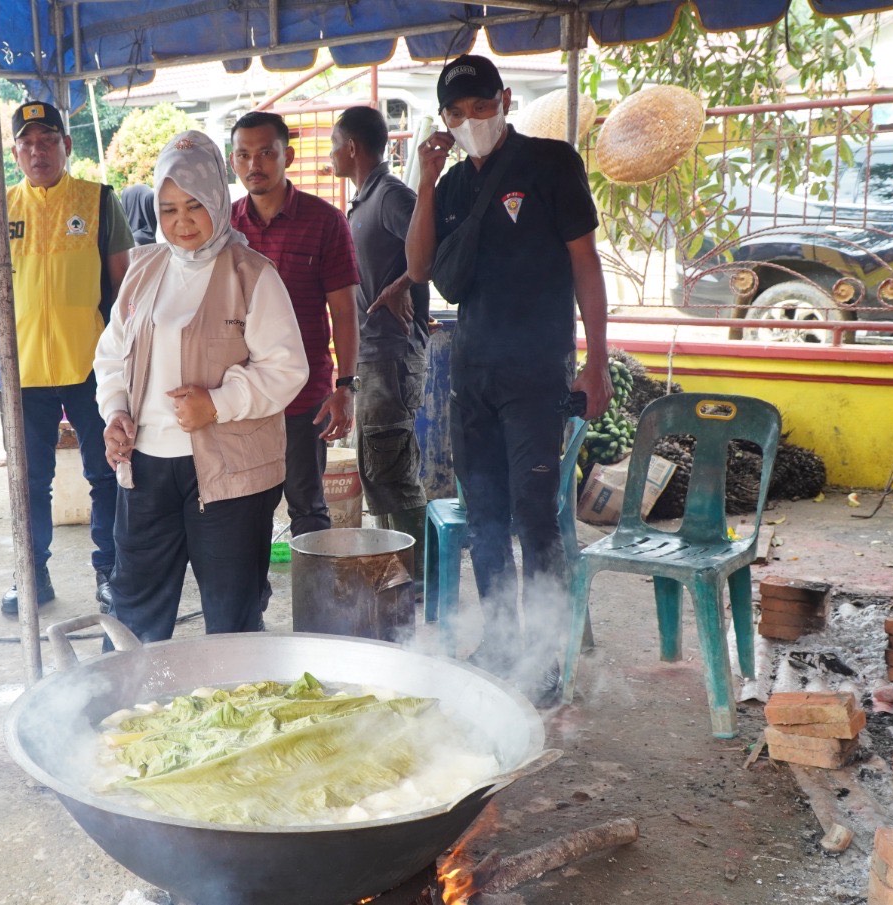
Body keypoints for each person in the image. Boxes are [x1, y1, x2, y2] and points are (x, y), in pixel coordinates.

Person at [404, 54, 612, 693]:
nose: (472, 121)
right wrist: (427, 179)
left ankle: (546, 659)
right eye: (458, 113)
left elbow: (586, 265)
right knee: (486, 515)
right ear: (444, 120)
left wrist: (596, 362)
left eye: (482, 107)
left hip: (537, 371)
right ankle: (499, 647)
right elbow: (418, 269)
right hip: (475, 372)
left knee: (534, 513)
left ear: (506, 99)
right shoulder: (454, 183)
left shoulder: (551, 164)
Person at [95, 131, 308, 641]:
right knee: (135, 604)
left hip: (229, 473)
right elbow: (111, 354)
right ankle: (128, 709)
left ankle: (234, 713)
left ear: (217, 198)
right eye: (167, 209)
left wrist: (217, 404)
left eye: (194, 205)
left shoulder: (251, 273)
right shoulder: (144, 268)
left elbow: (286, 369)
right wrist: (117, 412)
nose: (181, 222)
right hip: (146, 465)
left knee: (231, 611)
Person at [0, 100, 133, 616]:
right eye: (27, 143)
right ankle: (32, 574)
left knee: (106, 471)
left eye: (48, 141)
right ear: (14, 152)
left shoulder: (99, 200)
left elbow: (123, 289)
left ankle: (110, 571)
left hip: (91, 366)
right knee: (29, 479)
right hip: (23, 372)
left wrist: (129, 363)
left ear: (66, 145)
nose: (38, 150)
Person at [229, 111, 361, 538]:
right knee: (242, 508)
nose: (255, 165)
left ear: (287, 155)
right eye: (244, 155)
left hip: (304, 393)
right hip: (240, 393)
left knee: (307, 506)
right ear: (233, 162)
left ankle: (315, 604)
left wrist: (345, 387)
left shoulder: (326, 221)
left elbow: (344, 312)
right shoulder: (224, 227)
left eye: (266, 153)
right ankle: (249, 603)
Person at [329, 105, 431, 557]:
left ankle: (422, 575)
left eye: (334, 145)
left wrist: (401, 284)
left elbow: (433, 249)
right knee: (376, 472)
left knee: (392, 472)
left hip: (392, 355)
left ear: (351, 147)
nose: (331, 155)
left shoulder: (389, 195)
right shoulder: (363, 199)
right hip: (372, 356)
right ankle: (398, 566)